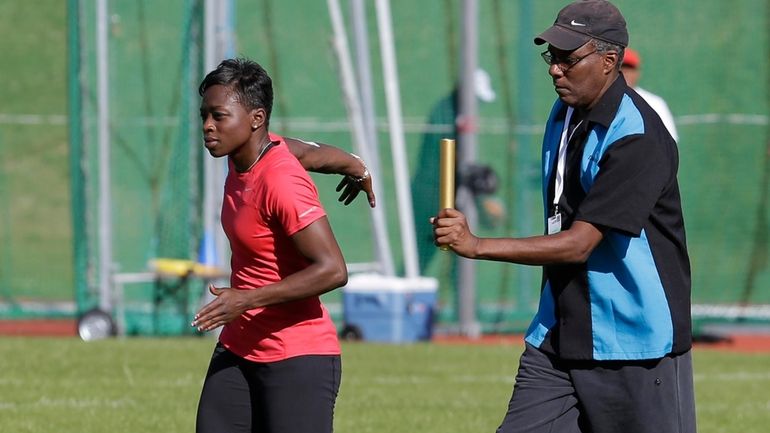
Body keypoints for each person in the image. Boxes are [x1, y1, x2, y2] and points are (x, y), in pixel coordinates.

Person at [432, 1, 695, 432]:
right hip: (556, 333)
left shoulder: (638, 137)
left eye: (568, 59)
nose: (555, 69)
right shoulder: (565, 112)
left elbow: (579, 243)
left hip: (634, 343)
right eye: (551, 57)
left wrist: (476, 245)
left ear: (609, 62)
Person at [191, 58, 350, 433]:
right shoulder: (244, 153)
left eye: (218, 116)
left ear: (256, 118)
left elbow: (333, 269)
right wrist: (355, 165)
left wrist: (245, 299)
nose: (207, 127)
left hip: (297, 356)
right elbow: (309, 151)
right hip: (240, 347)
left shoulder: (281, 181)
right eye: (203, 116)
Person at [621, 47, 679, 142]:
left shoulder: (655, 103)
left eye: (630, 68)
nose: (625, 72)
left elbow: (669, 140)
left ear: (637, 73)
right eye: (622, 67)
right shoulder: (603, 101)